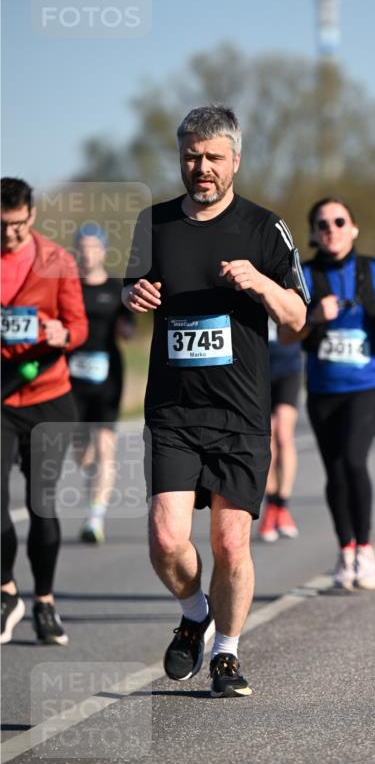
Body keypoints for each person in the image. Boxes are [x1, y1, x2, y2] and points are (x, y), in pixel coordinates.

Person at [122, 106, 306, 697]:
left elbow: (299, 318)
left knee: (230, 543)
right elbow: (132, 289)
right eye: (191, 156)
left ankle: (226, 652)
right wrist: (134, 293)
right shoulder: (152, 225)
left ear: (235, 160)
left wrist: (261, 283)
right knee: (165, 539)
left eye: (213, 158)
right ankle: (195, 612)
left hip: (240, 414)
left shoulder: (264, 228)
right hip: (173, 411)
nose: (201, 168)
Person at [280, 198, 375, 590]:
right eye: (323, 224)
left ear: (353, 227)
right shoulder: (302, 275)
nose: (331, 229)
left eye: (339, 222)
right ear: (315, 234)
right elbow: (286, 334)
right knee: (335, 470)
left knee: (354, 460)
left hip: (367, 386)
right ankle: (345, 551)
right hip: (323, 390)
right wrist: (313, 318)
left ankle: (367, 551)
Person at [1, 177, 88, 644]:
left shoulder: (57, 260)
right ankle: (6, 591)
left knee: (42, 503)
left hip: (48, 396)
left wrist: (62, 335)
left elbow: (78, 326)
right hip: (1, 397)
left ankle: (46, 601)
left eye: (17, 226)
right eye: (1, 226)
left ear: (31, 216)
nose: (9, 235)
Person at [70, 223, 135, 543]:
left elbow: (129, 327)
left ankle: (95, 519)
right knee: (82, 452)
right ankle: (97, 475)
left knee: (105, 447)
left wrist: (127, 329)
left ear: (103, 251)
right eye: (82, 246)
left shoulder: (116, 287)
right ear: (76, 250)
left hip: (108, 376)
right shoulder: (68, 287)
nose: (88, 252)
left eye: (94, 246)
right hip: (73, 379)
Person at [258, 324, 302, 542]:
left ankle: (282, 505)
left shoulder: (288, 287)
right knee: (268, 440)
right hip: (258, 369)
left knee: (284, 435)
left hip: (288, 366)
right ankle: (271, 506)